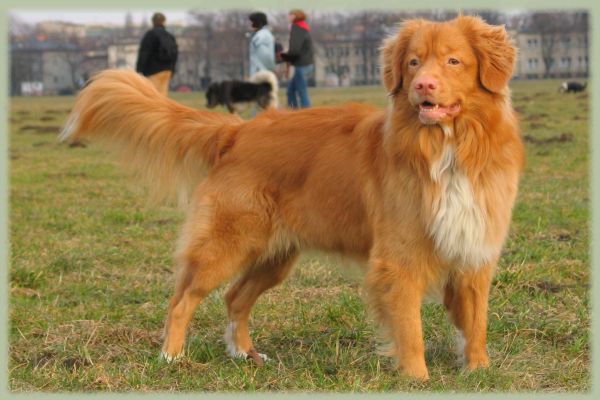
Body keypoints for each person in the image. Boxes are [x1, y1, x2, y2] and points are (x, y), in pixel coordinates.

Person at [136, 12, 178, 96]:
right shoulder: (169, 36)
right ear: (164, 22)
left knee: (152, 96)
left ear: (153, 22)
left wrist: (139, 70)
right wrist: (172, 70)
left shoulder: (150, 35)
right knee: (162, 96)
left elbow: (144, 53)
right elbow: (175, 54)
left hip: (153, 71)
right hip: (167, 71)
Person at [281, 9, 314, 108]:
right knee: (291, 91)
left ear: (296, 16)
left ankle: (307, 114)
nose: (288, 17)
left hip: (301, 65)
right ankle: (293, 112)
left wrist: (284, 56)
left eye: (290, 15)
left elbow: (295, 50)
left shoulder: (297, 28)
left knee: (301, 91)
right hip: (306, 64)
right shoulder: (304, 27)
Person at [248, 12, 276, 77]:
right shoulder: (262, 34)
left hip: (261, 73)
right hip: (260, 72)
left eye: (252, 22)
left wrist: (270, 69)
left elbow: (265, 55)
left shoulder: (262, 36)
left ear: (258, 22)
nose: (250, 24)